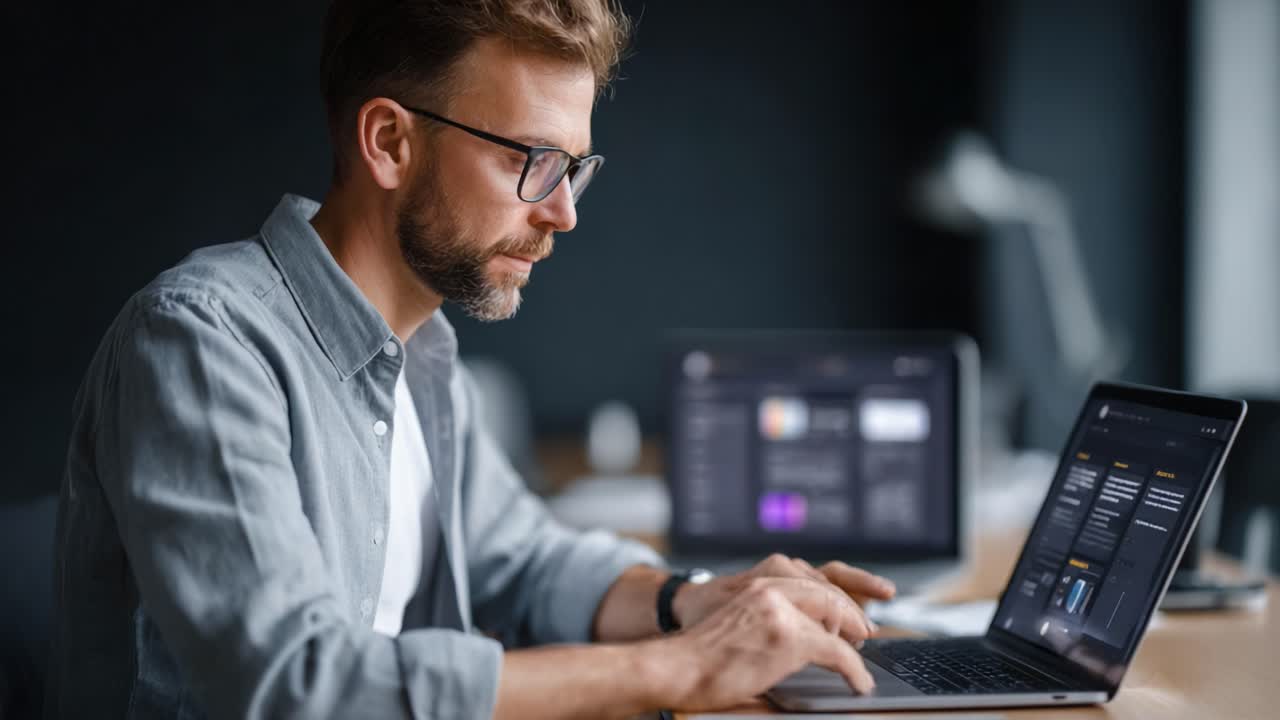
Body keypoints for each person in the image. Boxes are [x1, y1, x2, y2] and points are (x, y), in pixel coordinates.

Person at [45, 1, 895, 717]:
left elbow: (521, 558)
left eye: (573, 167)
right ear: (388, 142)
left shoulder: (425, 355)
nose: (562, 212)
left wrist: (698, 600)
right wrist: (680, 666)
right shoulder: (201, 341)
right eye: (530, 160)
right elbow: (293, 683)